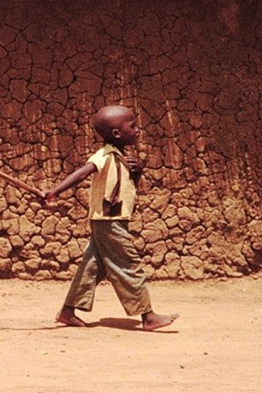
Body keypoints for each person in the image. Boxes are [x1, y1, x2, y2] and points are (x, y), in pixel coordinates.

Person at [43, 105, 178, 331]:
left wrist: (137, 172)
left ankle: (67, 311)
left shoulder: (121, 158)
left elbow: (126, 188)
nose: (137, 130)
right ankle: (148, 316)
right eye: (132, 126)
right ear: (117, 134)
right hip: (110, 221)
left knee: (92, 267)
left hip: (108, 220)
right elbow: (83, 172)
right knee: (128, 264)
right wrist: (56, 191)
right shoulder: (103, 156)